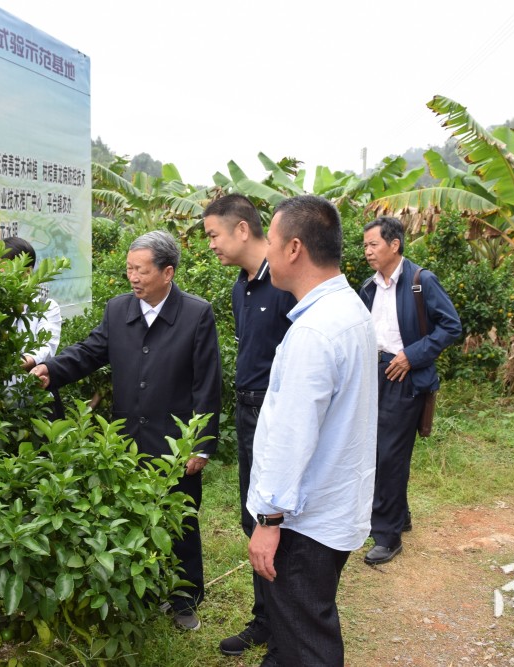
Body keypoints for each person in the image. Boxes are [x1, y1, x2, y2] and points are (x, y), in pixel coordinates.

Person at [31, 230, 222, 631]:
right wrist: (52, 369)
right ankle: (144, 594)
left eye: (141, 270)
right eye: (129, 269)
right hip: (127, 438)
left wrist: (201, 445)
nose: (133, 277)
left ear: (167, 272)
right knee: (130, 518)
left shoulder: (195, 314)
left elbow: (207, 384)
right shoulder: (119, 310)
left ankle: (185, 598)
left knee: (179, 520)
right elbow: (90, 351)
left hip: (174, 441)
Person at [247, 195, 377, 667]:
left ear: (295, 248)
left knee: (307, 642)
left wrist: (269, 521)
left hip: (304, 520)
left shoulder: (316, 331)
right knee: (293, 633)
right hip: (332, 504)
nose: (266, 254)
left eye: (271, 242)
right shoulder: (350, 311)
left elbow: (292, 436)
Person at [202, 194, 295, 657]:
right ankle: (265, 619)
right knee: (251, 515)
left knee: (278, 517)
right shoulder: (242, 287)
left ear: (242, 229)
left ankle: (286, 625)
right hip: (247, 410)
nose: (212, 245)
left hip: (277, 413)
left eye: (214, 235)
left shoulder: (285, 283)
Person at [359, 216, 461, 566]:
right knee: (381, 451)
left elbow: (451, 326)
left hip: (404, 376)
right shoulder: (368, 287)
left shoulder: (421, 281)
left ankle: (387, 537)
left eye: (373, 245)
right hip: (376, 374)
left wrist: (411, 356)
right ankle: (399, 517)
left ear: (394, 245)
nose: (368, 252)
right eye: (365, 246)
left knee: (388, 456)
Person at [2, 237, 64, 420]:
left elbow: (45, 348)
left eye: (6, 268)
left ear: (27, 272)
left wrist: (14, 363)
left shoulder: (46, 306)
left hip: (37, 406)